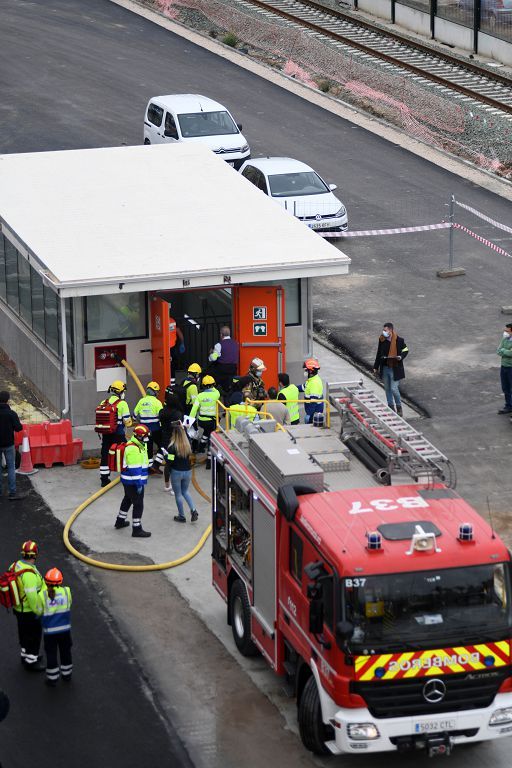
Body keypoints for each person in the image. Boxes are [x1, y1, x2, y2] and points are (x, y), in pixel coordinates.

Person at [11, 540, 44, 671]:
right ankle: (32, 661)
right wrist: (39, 611)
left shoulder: (16, 565)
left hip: (18, 608)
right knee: (34, 636)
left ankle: (24, 655)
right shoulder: (29, 575)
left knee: (23, 633)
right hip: (29, 611)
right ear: (35, 554)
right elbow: (32, 598)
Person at [36, 568, 73, 687]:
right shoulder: (67, 591)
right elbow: (70, 603)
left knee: (51, 654)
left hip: (49, 632)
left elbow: (38, 611)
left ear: (46, 582)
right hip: (65, 630)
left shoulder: (42, 595)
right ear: (60, 581)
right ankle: (67, 675)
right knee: (66, 652)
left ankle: (52, 678)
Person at [114, 424, 151, 538]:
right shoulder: (133, 448)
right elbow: (134, 469)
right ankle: (137, 529)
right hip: (133, 482)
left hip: (130, 481)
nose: (147, 438)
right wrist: (138, 484)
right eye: (145, 436)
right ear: (139, 436)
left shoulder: (139, 444)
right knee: (138, 504)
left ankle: (119, 521)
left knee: (128, 499)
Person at [97, 380, 132, 487]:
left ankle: (104, 479)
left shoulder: (104, 402)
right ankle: (127, 473)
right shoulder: (122, 404)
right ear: (120, 392)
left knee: (105, 455)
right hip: (118, 434)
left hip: (106, 433)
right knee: (126, 452)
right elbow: (128, 422)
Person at [373, 322, 409, 416]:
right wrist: (375, 367)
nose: (383, 332)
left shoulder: (399, 340)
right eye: (383, 330)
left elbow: (405, 350)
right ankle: (391, 408)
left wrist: (400, 357)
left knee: (393, 388)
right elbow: (379, 353)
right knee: (387, 388)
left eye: (385, 330)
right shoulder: (382, 339)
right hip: (385, 368)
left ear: (391, 330)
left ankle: (399, 407)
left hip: (395, 368)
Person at [166, 422, 199, 523]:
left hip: (176, 472)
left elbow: (170, 461)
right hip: (188, 471)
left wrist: (165, 456)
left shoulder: (172, 447)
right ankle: (193, 510)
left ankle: (181, 516)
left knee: (178, 494)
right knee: (185, 491)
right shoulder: (187, 444)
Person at [188, 375, 221, 469]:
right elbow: (215, 390)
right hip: (212, 421)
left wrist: (189, 422)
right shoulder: (216, 394)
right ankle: (209, 462)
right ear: (213, 385)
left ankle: (201, 446)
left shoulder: (200, 396)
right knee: (211, 439)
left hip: (202, 421)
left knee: (206, 432)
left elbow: (194, 409)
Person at [156, 391, 183, 492]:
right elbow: (179, 427)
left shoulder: (162, 412)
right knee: (175, 465)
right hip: (174, 442)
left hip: (165, 442)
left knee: (168, 464)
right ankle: (174, 488)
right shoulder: (177, 414)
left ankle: (167, 486)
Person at [133, 381, 162, 471]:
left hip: (144, 431)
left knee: (148, 449)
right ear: (155, 392)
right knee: (163, 446)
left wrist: (141, 421)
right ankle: (156, 464)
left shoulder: (141, 401)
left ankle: (149, 467)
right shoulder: (157, 402)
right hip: (156, 429)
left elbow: (134, 416)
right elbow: (162, 416)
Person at [0, 390, 23, 500]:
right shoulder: (11, 413)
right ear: (8, 400)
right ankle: (12, 492)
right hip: (9, 444)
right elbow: (19, 428)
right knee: (11, 467)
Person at [208, 326, 239, 394]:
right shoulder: (236, 343)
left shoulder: (219, 345)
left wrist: (211, 354)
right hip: (233, 369)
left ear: (221, 334)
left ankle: (211, 391)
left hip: (222, 370)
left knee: (208, 372)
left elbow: (214, 358)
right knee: (229, 386)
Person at [299, 358, 324, 424]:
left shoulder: (314, 383)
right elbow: (304, 387)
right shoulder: (312, 380)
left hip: (314, 414)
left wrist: (309, 415)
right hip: (313, 412)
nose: (305, 372)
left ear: (310, 371)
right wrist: (293, 387)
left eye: (306, 370)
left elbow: (313, 402)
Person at [497, 323, 512, 414]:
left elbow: (511, 354)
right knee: (505, 387)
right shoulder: (505, 339)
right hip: (504, 366)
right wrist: (506, 351)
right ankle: (508, 406)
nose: (505, 332)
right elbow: (498, 350)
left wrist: (503, 351)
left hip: (511, 368)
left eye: (507, 331)